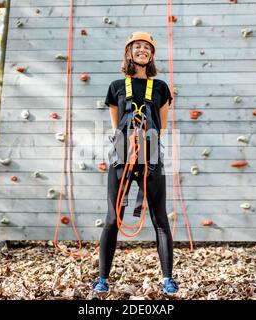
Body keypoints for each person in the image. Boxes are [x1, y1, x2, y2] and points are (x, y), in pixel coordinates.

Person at [92, 32, 178, 296]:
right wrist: (129, 146)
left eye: (146, 47)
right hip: (122, 152)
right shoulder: (116, 86)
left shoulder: (161, 87)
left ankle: (167, 279)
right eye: (137, 47)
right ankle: (102, 279)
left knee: (160, 219)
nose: (142, 50)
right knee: (111, 219)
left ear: (151, 54)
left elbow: (160, 125)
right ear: (129, 53)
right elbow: (116, 123)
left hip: (151, 153)